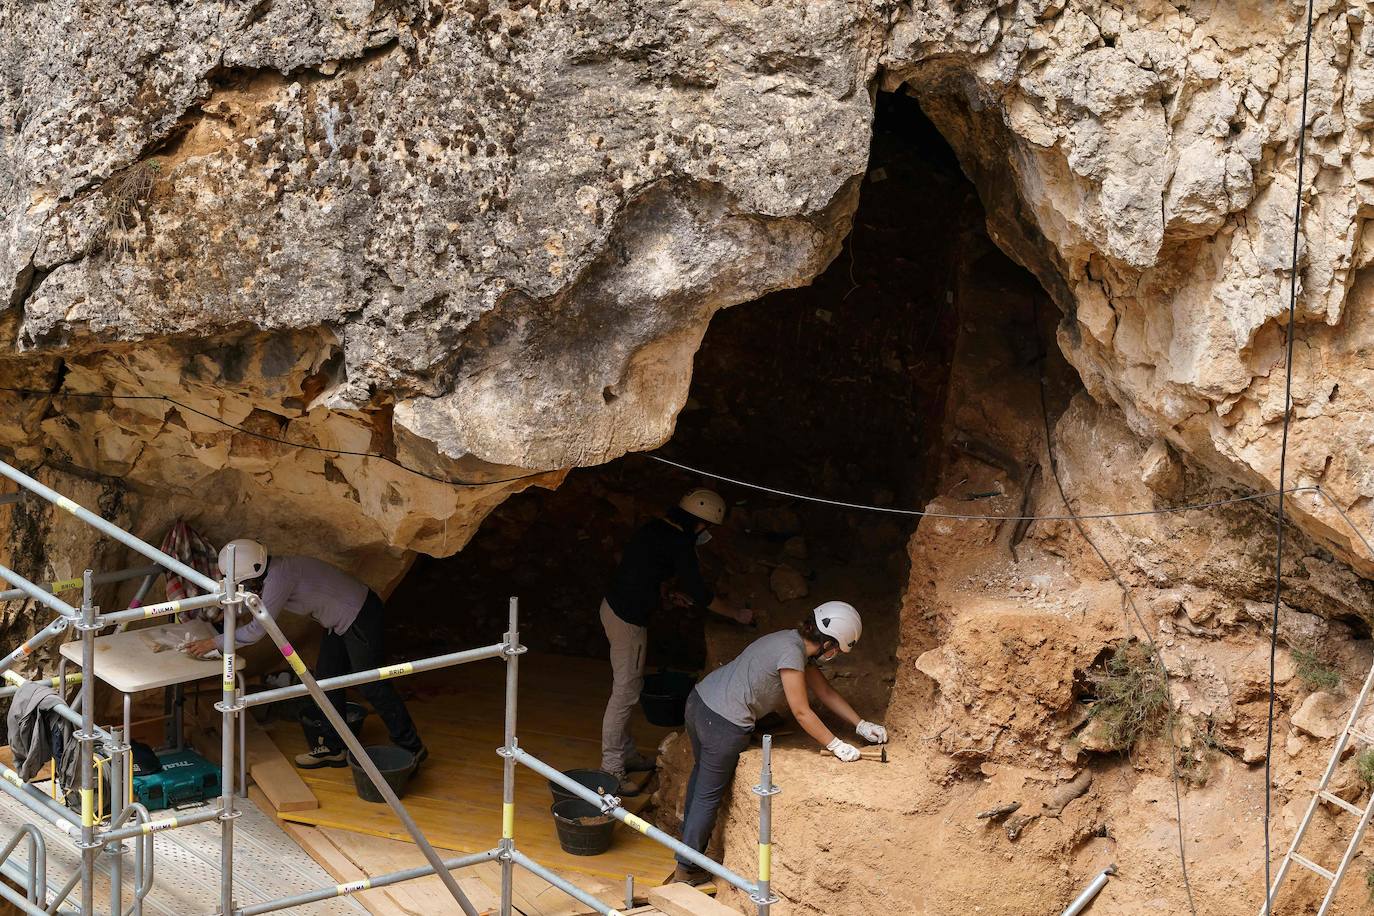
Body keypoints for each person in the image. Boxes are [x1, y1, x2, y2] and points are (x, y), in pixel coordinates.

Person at [670, 601, 886, 885]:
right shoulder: (792, 653)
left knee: (701, 780)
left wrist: (860, 724)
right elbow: (801, 711)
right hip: (723, 723)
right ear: (829, 644)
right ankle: (687, 869)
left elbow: (825, 693)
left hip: (700, 702)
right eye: (837, 649)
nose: (835, 655)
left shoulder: (790, 642)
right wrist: (835, 745)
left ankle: (685, 851)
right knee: (709, 795)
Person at [187, 539, 427, 769]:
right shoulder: (275, 569)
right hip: (341, 620)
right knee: (325, 680)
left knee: (371, 684)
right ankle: (335, 747)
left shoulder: (280, 578)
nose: (244, 587)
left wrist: (213, 643)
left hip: (359, 616)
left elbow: (258, 629)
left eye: (242, 582)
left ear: (252, 574)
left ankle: (411, 746)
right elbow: (254, 602)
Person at [600, 488, 752, 793]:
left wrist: (668, 594)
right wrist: (737, 614)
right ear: (700, 523)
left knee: (629, 688)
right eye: (708, 527)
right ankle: (611, 769)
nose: (707, 533)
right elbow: (701, 593)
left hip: (615, 608)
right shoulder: (680, 544)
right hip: (627, 621)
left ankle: (626, 754)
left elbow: (641, 572)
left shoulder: (655, 529)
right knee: (625, 693)